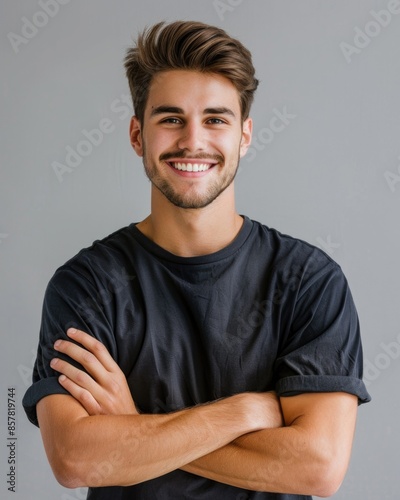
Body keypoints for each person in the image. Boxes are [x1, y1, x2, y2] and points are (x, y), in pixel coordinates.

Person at [23, 20, 370, 499]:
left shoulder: (309, 282)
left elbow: (317, 467)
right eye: (170, 118)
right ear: (136, 135)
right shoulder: (86, 286)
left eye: (215, 119)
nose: (192, 141)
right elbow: (75, 458)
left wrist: (137, 427)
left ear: (244, 135)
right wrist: (242, 412)